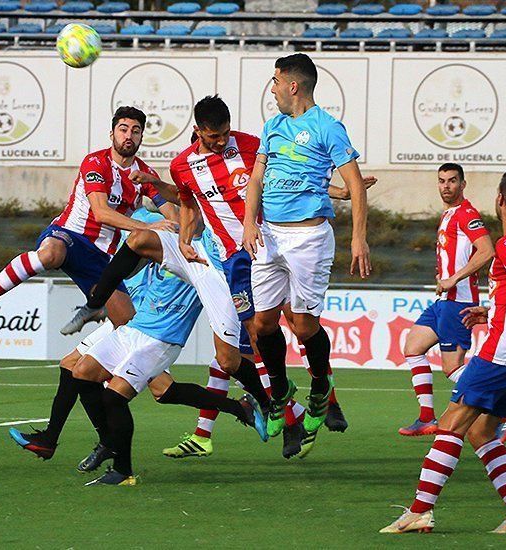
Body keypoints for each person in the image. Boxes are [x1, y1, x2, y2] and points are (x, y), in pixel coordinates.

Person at [156, 95, 371, 459]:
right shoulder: (182, 166)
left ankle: (326, 399)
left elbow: (290, 174)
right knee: (258, 332)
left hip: (270, 241)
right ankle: (287, 414)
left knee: (299, 322)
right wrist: (183, 238)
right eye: (213, 137)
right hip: (233, 259)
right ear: (197, 132)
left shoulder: (252, 144)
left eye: (224, 134)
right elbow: (189, 203)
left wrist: (339, 191)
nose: (221, 142)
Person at [381, 170, 506, 534]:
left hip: (503, 353)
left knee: (450, 424)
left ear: (500, 199)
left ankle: (419, 511)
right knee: (481, 432)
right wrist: (494, 311)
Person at [0, 106, 178, 338]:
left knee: (127, 326)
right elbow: (101, 213)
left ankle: (101, 367)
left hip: (101, 256)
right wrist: (148, 227)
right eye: (123, 129)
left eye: (135, 131)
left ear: (141, 138)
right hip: (70, 236)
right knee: (50, 254)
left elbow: (173, 217)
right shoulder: (96, 162)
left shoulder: (145, 174)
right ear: (112, 134)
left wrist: (177, 221)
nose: (129, 136)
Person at [242, 53, 371, 439]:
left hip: (309, 238)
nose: (273, 88)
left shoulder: (328, 127)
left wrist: (359, 238)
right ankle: (281, 390)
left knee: (303, 325)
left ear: (293, 85)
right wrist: (250, 221)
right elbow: (256, 180)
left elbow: (357, 186)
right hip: (269, 236)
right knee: (262, 323)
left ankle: (320, 388)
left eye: (276, 81)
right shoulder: (272, 126)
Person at [77, 234, 268, 486]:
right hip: (134, 328)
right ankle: (109, 442)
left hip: (161, 340)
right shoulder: (161, 238)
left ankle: (122, 471)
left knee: (115, 397)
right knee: (82, 372)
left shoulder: (205, 262)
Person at [7, 208, 160, 461]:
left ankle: (231, 409)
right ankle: (60, 439)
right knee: (71, 366)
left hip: (138, 321)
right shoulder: (111, 227)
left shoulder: (145, 220)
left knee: (164, 391)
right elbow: (116, 274)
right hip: (119, 316)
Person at [398, 163, 495, 437]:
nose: (446, 186)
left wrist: (455, 278)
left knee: (452, 368)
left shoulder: (467, 214)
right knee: (413, 346)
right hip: (443, 301)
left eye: (452, 181)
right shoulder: (448, 214)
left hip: (458, 301)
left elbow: (487, 250)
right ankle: (427, 417)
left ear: (463, 184)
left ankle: (500, 412)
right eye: (442, 181)